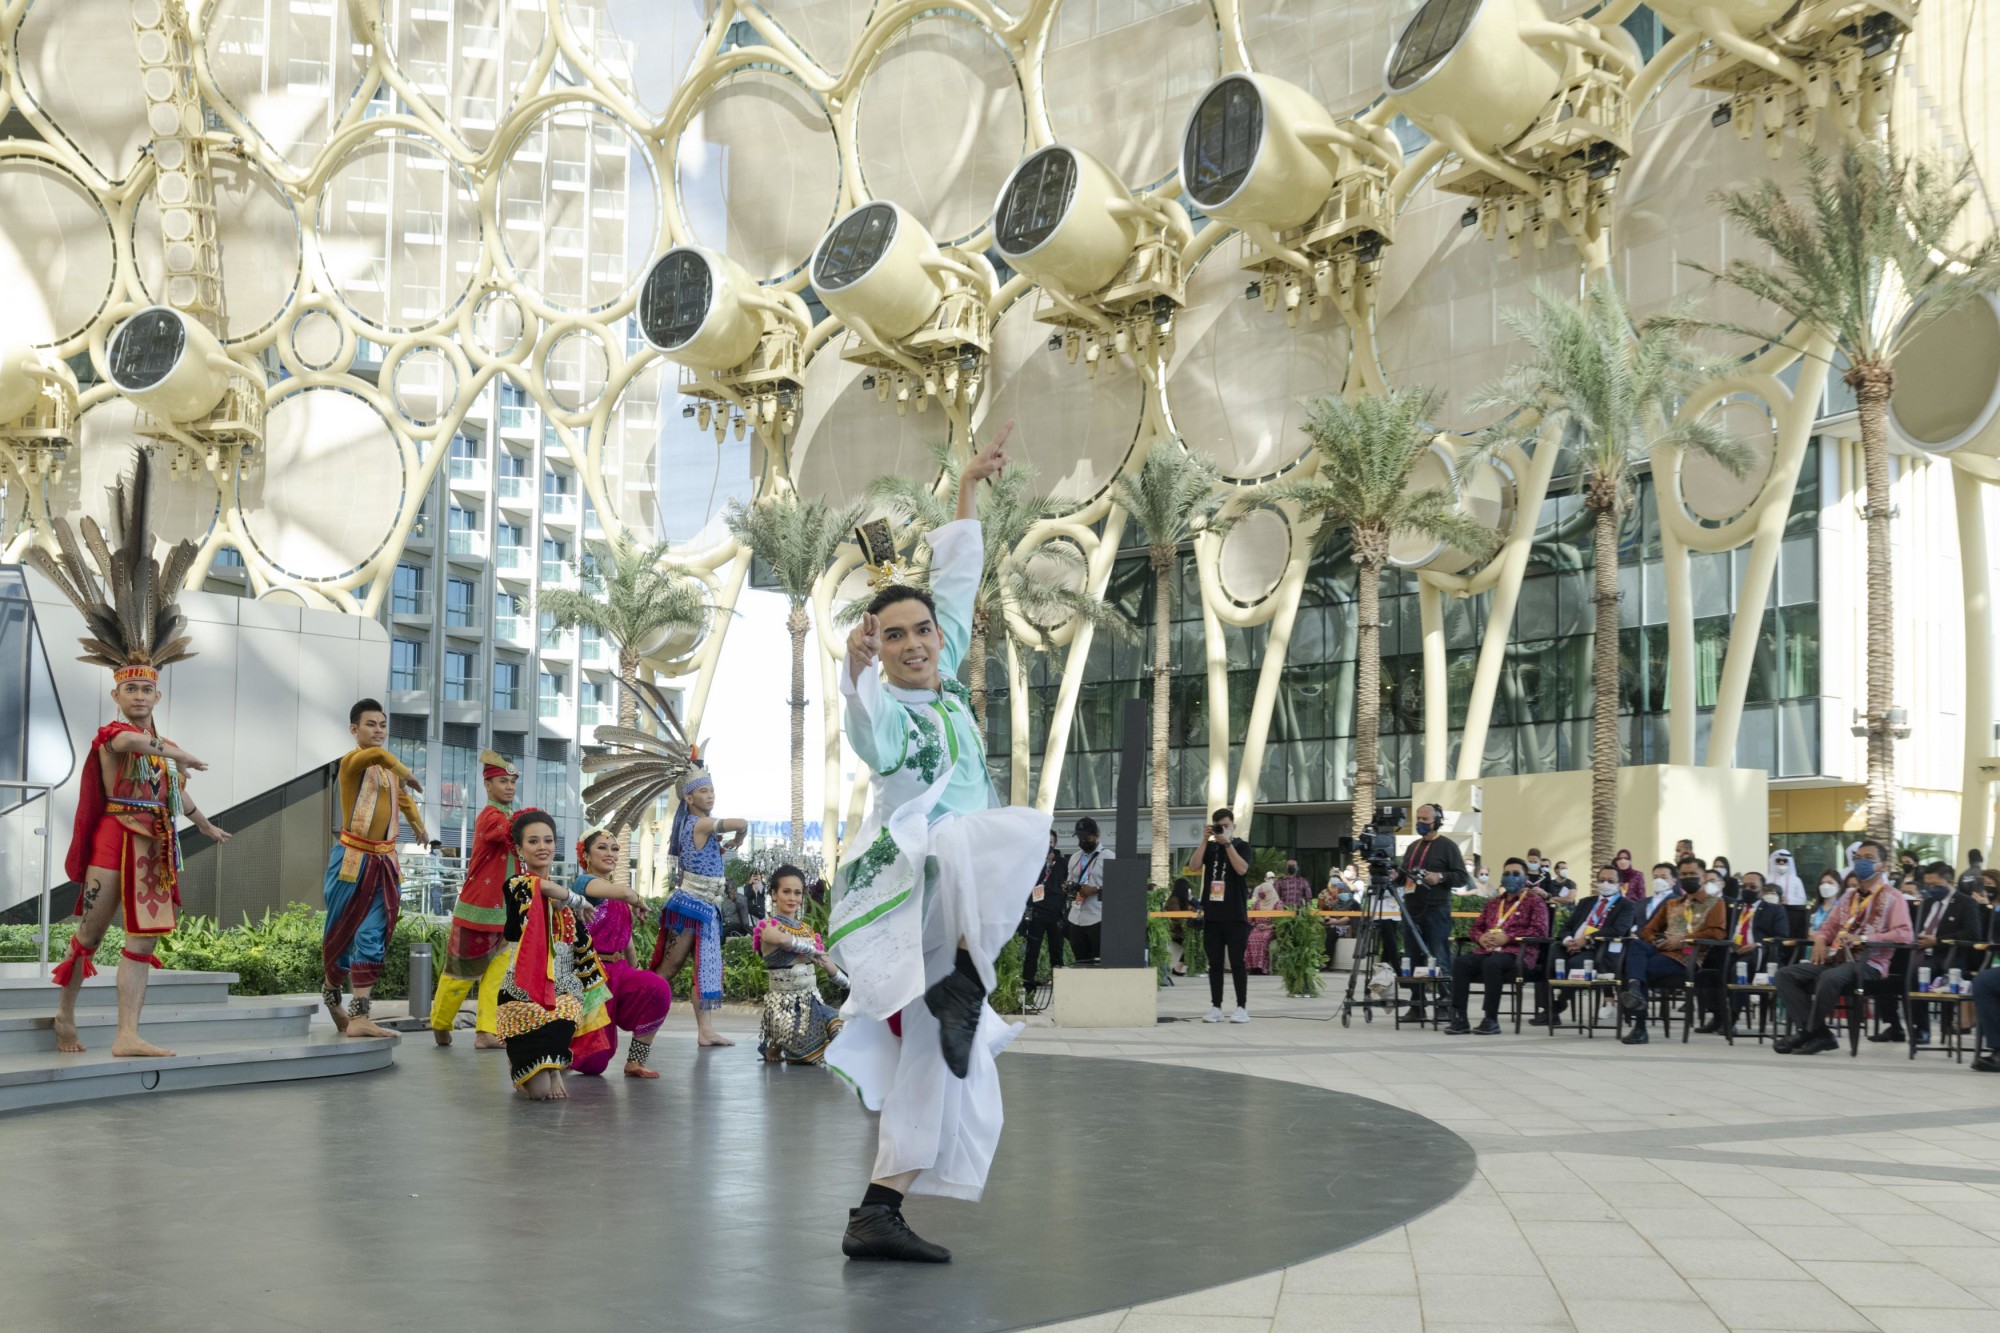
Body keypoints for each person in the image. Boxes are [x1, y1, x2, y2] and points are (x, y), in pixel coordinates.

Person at [825, 420, 1051, 1264]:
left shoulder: (946, 682)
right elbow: (863, 718)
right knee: (998, 829)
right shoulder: (890, 715)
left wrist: (965, 487)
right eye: (895, 637)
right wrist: (848, 673)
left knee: (942, 1059)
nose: (917, 642)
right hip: (910, 882)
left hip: (953, 895)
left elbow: (956, 582)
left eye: (922, 630)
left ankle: (877, 1208)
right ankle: (960, 975)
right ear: (878, 652)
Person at [35, 453, 233, 1057]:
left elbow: (170, 786)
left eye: (148, 688)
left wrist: (198, 819)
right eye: (132, 688)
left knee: (143, 943)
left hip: (154, 843)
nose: (141, 695)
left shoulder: (158, 747)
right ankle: (64, 1015)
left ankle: (126, 1033)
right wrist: (183, 752)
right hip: (111, 840)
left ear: (157, 691)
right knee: (90, 934)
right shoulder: (114, 735)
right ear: (117, 692)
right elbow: (136, 745)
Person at [323, 700, 426, 1041]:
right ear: (354, 730)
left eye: (382, 725)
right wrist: (406, 771)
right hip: (352, 860)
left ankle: (360, 1016)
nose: (378, 730)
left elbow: (404, 799)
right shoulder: (353, 761)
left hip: (383, 862)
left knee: (372, 936)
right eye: (371, 724)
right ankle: (332, 995)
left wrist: (419, 826)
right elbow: (380, 758)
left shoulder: (387, 773)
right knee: (340, 935)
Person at [495, 809, 608, 1099]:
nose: (542, 847)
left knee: (569, 1004)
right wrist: (576, 899)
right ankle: (520, 1063)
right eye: (533, 842)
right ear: (520, 849)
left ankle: (554, 1068)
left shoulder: (562, 898)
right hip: (525, 992)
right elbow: (540, 887)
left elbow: (579, 944)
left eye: (548, 840)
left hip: (561, 992)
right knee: (538, 1093)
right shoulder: (518, 885)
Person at [1773, 840, 1913, 1056]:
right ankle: (1820, 1033)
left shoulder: (1894, 897)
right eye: (1858, 858)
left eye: (1868, 858)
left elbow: (1905, 934)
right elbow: (1829, 927)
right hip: (1837, 959)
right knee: (1785, 975)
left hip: (1869, 963)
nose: (1861, 862)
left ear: (1882, 865)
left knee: (1828, 978)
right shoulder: (1849, 896)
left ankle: (1809, 1032)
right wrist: (1820, 939)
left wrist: (1865, 938)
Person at [649, 753, 746, 1047]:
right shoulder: (700, 824)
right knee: (669, 968)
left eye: (712, 790)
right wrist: (741, 836)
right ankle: (641, 1013)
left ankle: (705, 1031)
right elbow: (742, 821)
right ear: (689, 798)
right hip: (691, 906)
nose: (710, 795)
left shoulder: (697, 823)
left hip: (706, 907)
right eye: (703, 791)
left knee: (700, 970)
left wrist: (740, 837)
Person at [429, 750, 518, 1049]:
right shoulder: (491, 817)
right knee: (460, 973)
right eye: (503, 781)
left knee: (497, 976)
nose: (509, 787)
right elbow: (509, 833)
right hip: (477, 912)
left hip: (505, 913)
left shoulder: (510, 816)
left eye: (512, 782)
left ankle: (486, 1032)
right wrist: (533, 824)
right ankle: (440, 1023)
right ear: (488, 786)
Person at [568, 830, 669, 1078]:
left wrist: (635, 970)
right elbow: (625, 893)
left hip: (619, 971)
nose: (610, 853)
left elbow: (625, 941)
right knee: (594, 1062)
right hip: (590, 976)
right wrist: (637, 899)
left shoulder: (616, 892)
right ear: (586, 855)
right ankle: (558, 1051)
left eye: (614, 849)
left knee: (656, 988)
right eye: (602, 848)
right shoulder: (584, 884)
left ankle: (635, 1061)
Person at [1618, 860, 1727, 1045]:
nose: (1688, 878)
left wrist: (1683, 939)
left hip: (1686, 956)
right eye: (1684, 875)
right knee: (1635, 946)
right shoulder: (1672, 903)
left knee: (1639, 969)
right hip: (1663, 951)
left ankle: (1640, 1026)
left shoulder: (1715, 903)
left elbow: (1717, 933)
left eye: (1692, 874)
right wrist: (1658, 941)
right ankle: (1636, 990)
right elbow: (1647, 930)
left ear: (1703, 876)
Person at [755, 864, 846, 1064]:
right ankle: (777, 1043)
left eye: (797, 893)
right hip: (785, 1011)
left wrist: (850, 985)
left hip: (812, 1004)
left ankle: (780, 1046)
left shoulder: (807, 930)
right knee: (810, 1057)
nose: (792, 898)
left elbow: (826, 963)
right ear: (773, 894)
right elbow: (783, 941)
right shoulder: (769, 927)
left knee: (842, 1029)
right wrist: (812, 949)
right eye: (786, 891)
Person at [1444, 867, 1549, 1035]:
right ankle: (1460, 1018)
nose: (1510, 877)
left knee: (1492, 964)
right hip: (1488, 950)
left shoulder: (1534, 902)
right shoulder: (1493, 903)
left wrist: (1509, 937)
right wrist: (1481, 938)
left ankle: (1490, 1019)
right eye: (1506, 874)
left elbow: (1539, 931)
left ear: (1525, 878)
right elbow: (1476, 928)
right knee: (1461, 963)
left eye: (1515, 874)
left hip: (1517, 954)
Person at [1534, 867, 1639, 1025]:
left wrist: (1587, 939)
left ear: (1620, 884)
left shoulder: (1626, 906)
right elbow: (1567, 926)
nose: (1605, 884)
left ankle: (1558, 1004)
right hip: (1571, 945)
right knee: (1545, 960)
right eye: (1602, 880)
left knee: (1576, 964)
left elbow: (1619, 929)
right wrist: (1568, 940)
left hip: (1597, 949)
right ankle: (1548, 1009)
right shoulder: (1586, 902)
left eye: (1610, 881)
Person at [1392, 803, 1466, 1021]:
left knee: (1439, 956)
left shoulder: (1448, 846)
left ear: (1437, 821)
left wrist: (1440, 877)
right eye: (1418, 819)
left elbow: (1461, 877)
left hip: (1437, 909)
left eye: (1425, 819)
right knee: (1413, 957)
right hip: (1412, 909)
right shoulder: (1413, 846)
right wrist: (1394, 875)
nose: (1421, 823)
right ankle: (1417, 1005)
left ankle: (1444, 1004)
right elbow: (1404, 875)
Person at [1197, 808, 1254, 1023]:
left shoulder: (1241, 846)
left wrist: (1227, 842)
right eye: (1218, 826)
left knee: (1237, 962)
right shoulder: (1210, 848)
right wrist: (1205, 840)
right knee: (1215, 963)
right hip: (1212, 915)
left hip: (1236, 915)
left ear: (1233, 826)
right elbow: (1193, 866)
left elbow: (1241, 869)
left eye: (1226, 826)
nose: (1222, 830)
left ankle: (1241, 1007)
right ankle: (1216, 1006)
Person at [1718, 870, 1789, 1035]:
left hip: (1761, 954)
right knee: (1711, 966)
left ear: (1762, 889)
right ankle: (1717, 1016)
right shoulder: (1735, 907)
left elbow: (1782, 938)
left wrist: (1757, 945)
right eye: (1744, 886)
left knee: (1739, 966)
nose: (1747, 890)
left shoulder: (1774, 910)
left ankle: (1732, 1018)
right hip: (1732, 950)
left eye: (1753, 886)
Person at [1020, 830, 1068, 990]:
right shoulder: (1033, 862)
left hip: (1055, 915)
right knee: (1032, 952)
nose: (1048, 846)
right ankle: (1028, 986)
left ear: (1055, 844)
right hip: (1037, 914)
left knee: (1056, 953)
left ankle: (1060, 986)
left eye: (1051, 842)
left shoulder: (1063, 863)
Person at [1065, 817, 1108, 964]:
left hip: (1098, 917)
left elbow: (1119, 888)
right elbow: (1070, 879)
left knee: (1099, 961)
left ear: (1096, 835)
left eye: (1087, 837)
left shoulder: (1108, 857)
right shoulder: (1075, 857)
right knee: (1081, 962)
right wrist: (1067, 886)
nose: (1083, 841)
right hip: (1076, 916)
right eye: (1080, 837)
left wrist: (1096, 889)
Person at [1243, 876, 1283, 974]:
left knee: (1263, 938)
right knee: (1250, 937)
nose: (1261, 893)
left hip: (1270, 929)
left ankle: (1262, 968)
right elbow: (1250, 918)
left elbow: (1280, 922)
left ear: (1269, 892)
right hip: (1258, 928)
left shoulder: (1277, 904)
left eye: (1263, 891)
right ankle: (1252, 967)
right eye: (1260, 891)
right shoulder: (1258, 903)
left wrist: (1268, 927)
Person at [1768, 849, 1809, 937]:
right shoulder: (1768, 879)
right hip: (1770, 914)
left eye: (1784, 861)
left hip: (1791, 915)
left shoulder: (1796, 880)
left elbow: (1803, 900)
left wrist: (1790, 900)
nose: (1781, 863)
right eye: (1778, 860)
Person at [1810, 871, 1845, 935]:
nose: (1825, 886)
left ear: (1839, 886)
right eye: (1822, 883)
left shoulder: (1841, 908)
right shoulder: (1814, 908)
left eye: (1830, 883)